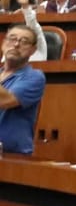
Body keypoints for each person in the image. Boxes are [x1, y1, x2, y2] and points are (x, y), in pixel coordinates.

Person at [0, 25, 46, 156]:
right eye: (12, 39)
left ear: (33, 50)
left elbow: (5, 100)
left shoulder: (34, 77)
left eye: (24, 42)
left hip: (13, 156)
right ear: (3, 43)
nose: (16, 45)